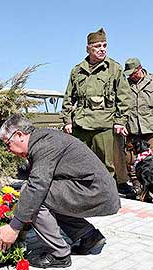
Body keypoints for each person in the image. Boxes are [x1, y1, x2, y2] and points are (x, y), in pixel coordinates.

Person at [0, 115, 121, 268]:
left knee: (32, 193)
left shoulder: (44, 144)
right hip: (94, 189)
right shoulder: (43, 139)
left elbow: (37, 186)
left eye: (8, 144)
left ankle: (58, 254)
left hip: (96, 192)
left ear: (20, 135)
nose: (8, 150)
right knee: (48, 195)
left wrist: (14, 227)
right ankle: (88, 236)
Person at [61, 28, 132, 180]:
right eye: (97, 46)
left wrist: (120, 121)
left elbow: (124, 97)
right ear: (88, 48)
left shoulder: (114, 68)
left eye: (104, 45)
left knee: (108, 164)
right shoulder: (77, 70)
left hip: (104, 124)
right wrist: (67, 120)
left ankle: (108, 194)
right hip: (81, 124)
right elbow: (69, 96)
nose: (102, 49)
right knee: (79, 161)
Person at [123, 57, 153, 195]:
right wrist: (121, 123)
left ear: (140, 69)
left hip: (152, 128)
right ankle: (137, 187)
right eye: (129, 74)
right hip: (132, 128)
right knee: (130, 159)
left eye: (133, 73)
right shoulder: (126, 85)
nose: (131, 76)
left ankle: (151, 190)